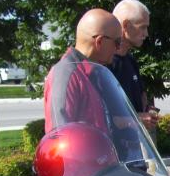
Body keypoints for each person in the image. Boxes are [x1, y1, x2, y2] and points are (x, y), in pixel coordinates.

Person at [43, 9, 135, 154]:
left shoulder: (95, 72)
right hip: (83, 173)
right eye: (117, 42)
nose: (118, 49)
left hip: (104, 166)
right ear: (99, 41)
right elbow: (60, 138)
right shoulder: (66, 74)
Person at [110, 0, 158, 132]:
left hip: (134, 148)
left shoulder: (130, 60)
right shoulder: (104, 65)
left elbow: (141, 98)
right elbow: (103, 118)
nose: (146, 34)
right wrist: (137, 120)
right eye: (142, 27)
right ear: (125, 26)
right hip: (115, 149)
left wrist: (148, 111)